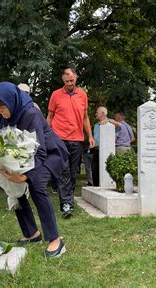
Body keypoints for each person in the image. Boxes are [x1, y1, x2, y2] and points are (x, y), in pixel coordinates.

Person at [0, 81, 68, 258]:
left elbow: (39, 150)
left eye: (1, 107)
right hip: (23, 156)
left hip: (48, 153)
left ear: (11, 101)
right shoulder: (2, 115)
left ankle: (55, 239)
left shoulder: (31, 113)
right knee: (14, 189)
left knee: (36, 185)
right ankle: (32, 233)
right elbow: (2, 142)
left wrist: (24, 177)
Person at [47, 68, 95, 218]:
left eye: (72, 80)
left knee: (73, 173)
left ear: (76, 79)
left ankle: (68, 200)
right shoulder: (56, 95)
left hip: (77, 139)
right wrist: (47, 136)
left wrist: (90, 136)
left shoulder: (82, 95)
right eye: (67, 81)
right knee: (64, 171)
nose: (69, 83)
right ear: (63, 80)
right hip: (59, 138)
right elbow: (49, 116)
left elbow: (85, 117)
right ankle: (66, 205)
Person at [91, 106, 121, 186]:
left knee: (105, 170)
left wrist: (108, 120)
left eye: (97, 112)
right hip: (96, 150)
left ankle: (106, 185)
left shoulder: (110, 123)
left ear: (103, 113)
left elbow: (119, 126)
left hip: (106, 151)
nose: (95, 114)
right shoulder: (96, 125)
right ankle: (96, 187)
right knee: (94, 170)